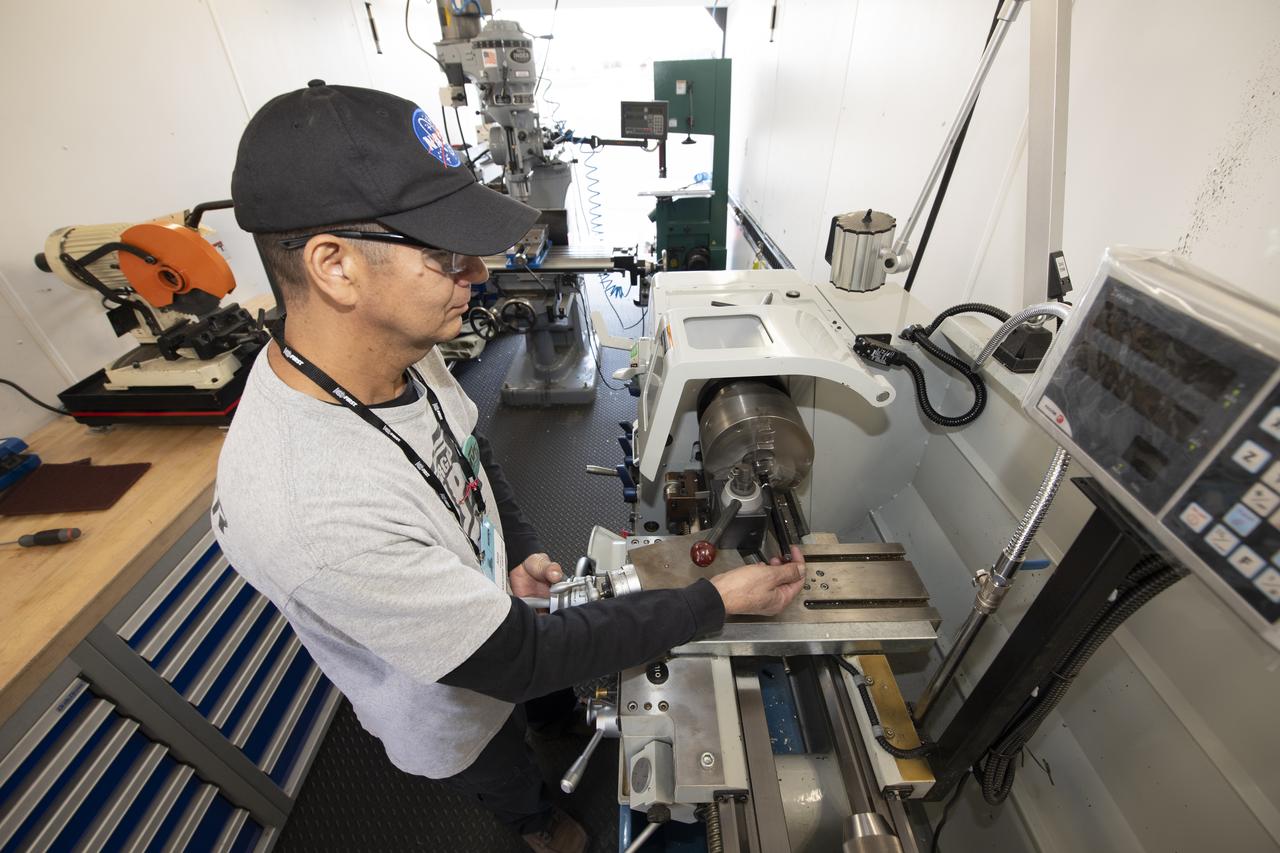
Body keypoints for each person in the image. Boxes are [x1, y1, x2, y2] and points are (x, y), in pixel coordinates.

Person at [213, 81, 807, 853]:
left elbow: (470, 448)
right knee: (509, 775)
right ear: (336, 265)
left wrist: (518, 541)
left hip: (498, 607)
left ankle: (554, 721)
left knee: (547, 692)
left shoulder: (394, 350)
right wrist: (715, 599)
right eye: (443, 254)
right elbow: (513, 659)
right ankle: (541, 823)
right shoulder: (306, 507)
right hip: (451, 705)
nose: (479, 273)